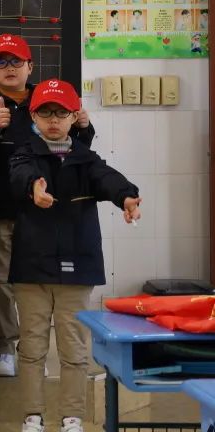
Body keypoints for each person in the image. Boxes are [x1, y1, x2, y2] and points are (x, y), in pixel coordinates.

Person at [10, 80, 141, 432]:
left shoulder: (87, 159)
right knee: (32, 348)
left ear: (74, 116)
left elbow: (107, 179)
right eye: (45, 113)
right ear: (33, 116)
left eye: (61, 113)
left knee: (73, 349)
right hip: (32, 268)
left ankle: (72, 417)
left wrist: (127, 197)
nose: (53, 120)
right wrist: (33, 188)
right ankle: (32, 417)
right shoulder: (23, 154)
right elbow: (20, 175)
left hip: (77, 268)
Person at [0, 35, 95, 379]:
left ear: (30, 66)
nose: (9, 68)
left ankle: (33, 352)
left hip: (42, 208)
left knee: (38, 280)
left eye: (16, 61)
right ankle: (3, 349)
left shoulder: (48, 99)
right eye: (1, 62)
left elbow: (76, 151)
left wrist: (85, 128)